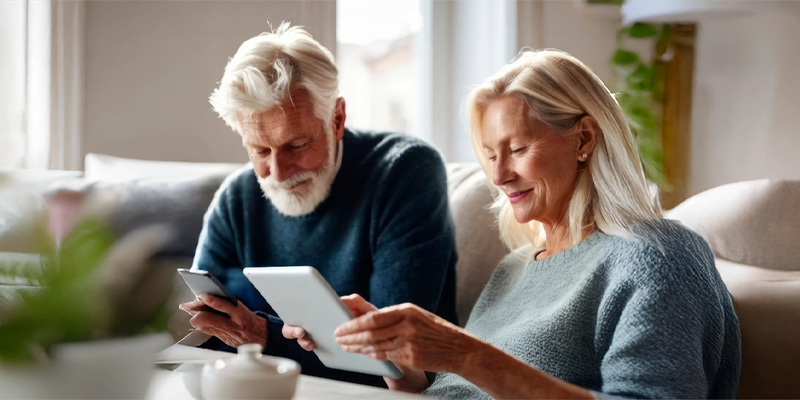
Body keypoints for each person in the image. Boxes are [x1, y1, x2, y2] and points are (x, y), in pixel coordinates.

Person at [327, 49, 742, 398]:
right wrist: (389, 356)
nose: (499, 175)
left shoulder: (655, 255)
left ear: (583, 140)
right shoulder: (516, 268)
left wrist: (464, 353)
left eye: (519, 148)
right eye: (491, 155)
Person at [178, 22, 458, 388]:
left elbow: (397, 356)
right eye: (260, 150)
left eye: (295, 145)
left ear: (337, 120)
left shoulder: (406, 172)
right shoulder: (237, 197)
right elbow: (212, 333)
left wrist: (263, 336)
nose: (277, 173)